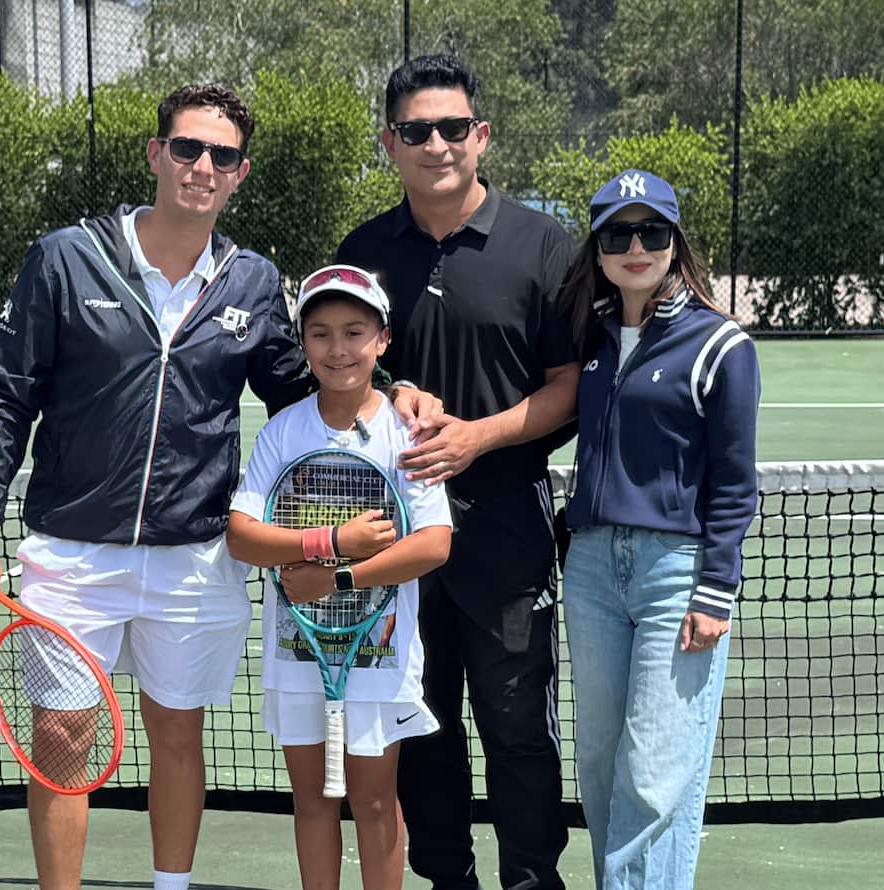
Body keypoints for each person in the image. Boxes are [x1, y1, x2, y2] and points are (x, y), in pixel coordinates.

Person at [0, 85, 438, 890]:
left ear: (240, 174)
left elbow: (300, 382)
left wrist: (398, 390)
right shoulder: (66, 258)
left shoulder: (251, 282)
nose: (203, 166)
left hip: (196, 557)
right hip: (72, 548)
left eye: (223, 156)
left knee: (178, 735)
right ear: (156, 154)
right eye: (187, 149)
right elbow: (7, 392)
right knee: (64, 737)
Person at [335, 54, 579, 890]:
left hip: (507, 524)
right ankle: (450, 879)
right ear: (390, 143)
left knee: (517, 727)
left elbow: (570, 387)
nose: (435, 144)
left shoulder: (543, 246)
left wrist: (476, 438)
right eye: (415, 131)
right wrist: (395, 387)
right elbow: (335, 368)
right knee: (422, 720)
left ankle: (530, 880)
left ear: (480, 136)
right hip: (397, 534)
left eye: (451, 128)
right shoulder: (364, 252)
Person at [557, 169, 760, 890]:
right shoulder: (590, 339)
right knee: (601, 765)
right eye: (618, 233)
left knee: (653, 773)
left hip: (676, 573)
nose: (635, 247)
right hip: (588, 572)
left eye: (652, 232)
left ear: (676, 242)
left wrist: (716, 589)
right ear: (599, 247)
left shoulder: (722, 347)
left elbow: (736, 482)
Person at [226, 263, 454, 890]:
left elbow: (434, 543)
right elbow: (242, 535)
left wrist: (339, 578)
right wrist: (331, 541)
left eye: (355, 331)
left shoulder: (406, 433)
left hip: (380, 658)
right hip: (295, 654)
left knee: (376, 802)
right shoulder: (282, 432)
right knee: (313, 801)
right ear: (303, 344)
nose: (338, 349)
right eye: (321, 333)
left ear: (382, 340)